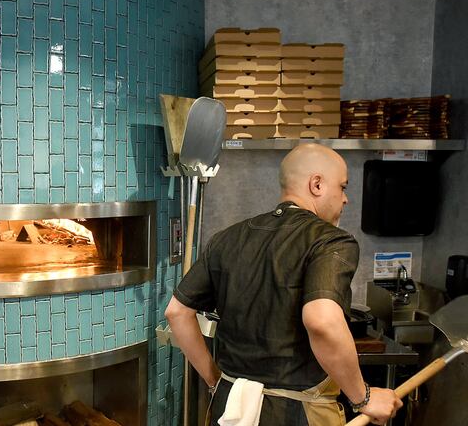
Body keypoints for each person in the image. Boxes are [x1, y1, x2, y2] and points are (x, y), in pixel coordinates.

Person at [165, 143, 403, 425]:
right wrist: (363, 397)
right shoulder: (330, 240)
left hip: (228, 407)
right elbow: (322, 321)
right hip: (295, 415)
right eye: (343, 187)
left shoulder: (226, 237)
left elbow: (177, 313)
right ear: (316, 184)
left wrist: (215, 380)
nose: (345, 199)